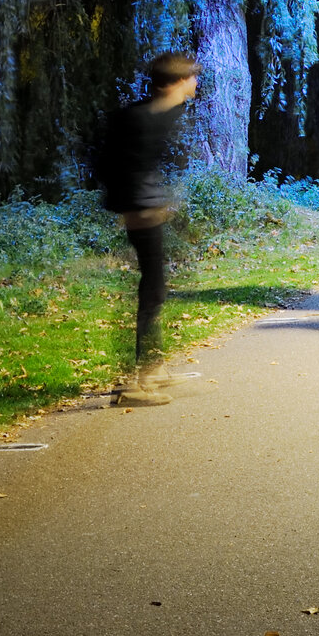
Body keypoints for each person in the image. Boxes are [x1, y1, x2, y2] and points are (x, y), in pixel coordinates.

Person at [98, 53, 198, 406]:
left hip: (144, 208)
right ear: (176, 81)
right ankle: (132, 385)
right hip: (142, 212)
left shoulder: (157, 112)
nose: (195, 83)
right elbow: (119, 164)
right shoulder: (140, 119)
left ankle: (151, 367)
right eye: (190, 77)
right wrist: (138, 207)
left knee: (155, 288)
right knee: (152, 291)